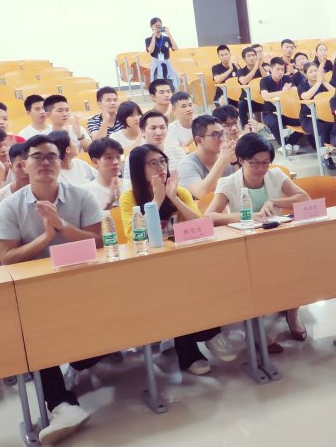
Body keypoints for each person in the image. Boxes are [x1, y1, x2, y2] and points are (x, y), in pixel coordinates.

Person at [0, 134, 103, 445]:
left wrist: (63, 226)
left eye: (52, 156)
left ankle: (75, 362)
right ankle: (62, 405)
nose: (45, 162)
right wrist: (46, 238)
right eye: (37, 157)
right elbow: (6, 258)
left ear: (61, 161)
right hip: (34, 290)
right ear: (23, 165)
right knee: (35, 334)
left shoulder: (82, 196)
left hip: (82, 279)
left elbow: (99, 242)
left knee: (111, 329)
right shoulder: (9, 206)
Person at [118, 143, 235, 372]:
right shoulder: (129, 198)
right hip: (149, 267)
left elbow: (202, 224)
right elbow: (134, 236)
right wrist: (157, 200)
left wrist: (174, 197)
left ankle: (209, 334)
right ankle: (194, 349)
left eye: (162, 161)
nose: (161, 167)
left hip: (183, 261)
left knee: (199, 280)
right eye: (153, 163)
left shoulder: (179, 191)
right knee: (174, 290)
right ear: (139, 170)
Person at [204, 133, 311, 346]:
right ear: (241, 160)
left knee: (298, 265)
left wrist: (275, 201)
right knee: (253, 279)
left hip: (277, 239)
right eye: (255, 163)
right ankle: (255, 325)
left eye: (265, 163)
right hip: (247, 244)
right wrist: (246, 216)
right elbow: (209, 217)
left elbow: (304, 198)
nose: (261, 168)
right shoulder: (228, 183)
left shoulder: (275, 175)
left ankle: (292, 313)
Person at [180, 114, 237, 198]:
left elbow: (242, 189)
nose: (221, 139)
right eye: (215, 135)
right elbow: (201, 193)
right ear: (199, 140)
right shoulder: (186, 165)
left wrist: (235, 162)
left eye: (222, 133)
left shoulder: (229, 157)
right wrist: (222, 161)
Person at [0, 143, 29, 230]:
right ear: (11, 167)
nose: (26, 171)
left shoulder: (48, 193)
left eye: (29, 165)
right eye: (19, 166)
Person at [83, 138, 128, 210]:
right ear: (95, 161)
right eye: (109, 157)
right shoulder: (86, 192)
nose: (116, 162)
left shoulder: (131, 185)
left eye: (118, 157)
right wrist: (110, 203)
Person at [146, 17, 178, 88]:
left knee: (170, 86)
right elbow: (151, 50)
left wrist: (169, 34)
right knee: (158, 86)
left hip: (167, 66)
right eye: (155, 26)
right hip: (156, 67)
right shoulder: (148, 39)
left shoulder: (166, 38)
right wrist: (153, 36)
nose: (158, 28)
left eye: (159, 26)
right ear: (151, 27)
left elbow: (175, 48)